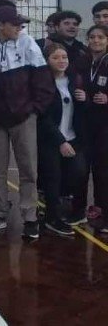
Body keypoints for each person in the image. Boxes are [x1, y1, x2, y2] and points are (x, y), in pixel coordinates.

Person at [0, 5, 55, 240]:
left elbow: (43, 80)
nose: (20, 27)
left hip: (23, 118)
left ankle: (30, 215)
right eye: (15, 24)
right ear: (0, 25)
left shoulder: (28, 44)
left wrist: (34, 110)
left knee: (28, 169)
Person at [38, 43, 88, 237]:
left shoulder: (74, 80)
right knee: (52, 177)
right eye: (56, 57)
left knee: (79, 171)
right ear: (47, 61)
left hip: (73, 137)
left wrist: (85, 99)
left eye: (64, 57)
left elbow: (81, 112)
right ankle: (52, 217)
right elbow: (44, 117)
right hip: (51, 140)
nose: (61, 61)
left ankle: (72, 210)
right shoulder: (44, 84)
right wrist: (60, 141)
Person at [73, 24, 108, 232]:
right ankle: (78, 209)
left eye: (101, 37)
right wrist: (80, 94)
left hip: (104, 126)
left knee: (103, 171)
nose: (96, 40)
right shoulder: (82, 61)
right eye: (92, 37)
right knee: (81, 169)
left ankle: (103, 213)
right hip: (84, 123)